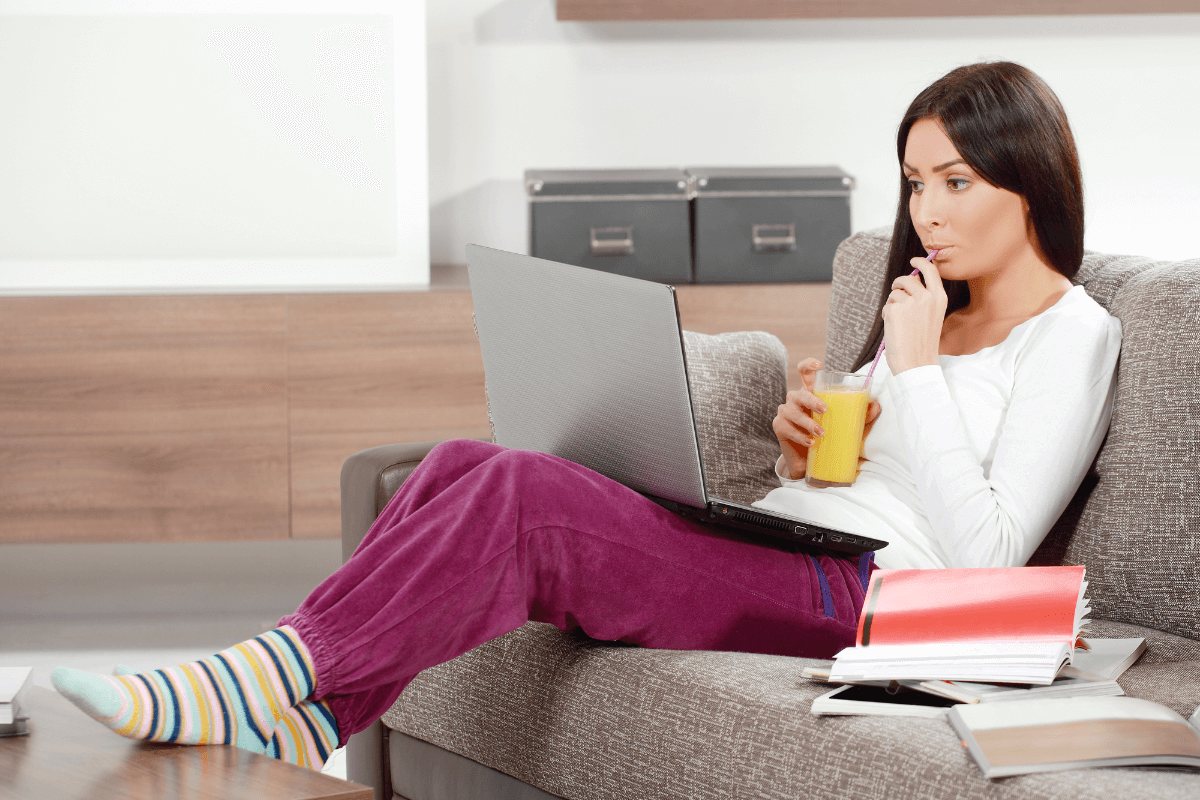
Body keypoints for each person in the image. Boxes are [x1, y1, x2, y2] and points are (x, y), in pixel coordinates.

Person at [51, 61, 1120, 770]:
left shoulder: (1073, 333)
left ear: (1028, 182)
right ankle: (309, 716)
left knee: (524, 497)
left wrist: (919, 372)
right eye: (914, 184)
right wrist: (819, 441)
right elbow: (877, 478)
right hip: (806, 537)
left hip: (877, 602)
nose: (927, 213)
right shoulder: (928, 310)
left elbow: (987, 547)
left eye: (955, 182)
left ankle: (254, 676)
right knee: (462, 460)